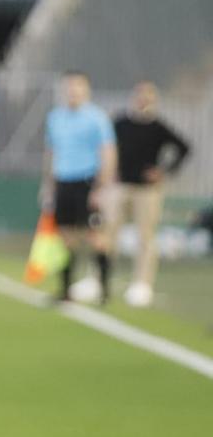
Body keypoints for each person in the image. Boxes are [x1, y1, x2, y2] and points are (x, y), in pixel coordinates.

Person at [104, 81, 189, 307]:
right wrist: (109, 172)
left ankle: (142, 284)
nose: (143, 100)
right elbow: (106, 147)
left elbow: (184, 147)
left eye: (148, 96)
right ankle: (100, 278)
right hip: (120, 186)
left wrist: (164, 171)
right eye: (140, 95)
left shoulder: (158, 127)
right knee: (107, 232)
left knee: (145, 237)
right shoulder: (120, 124)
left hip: (147, 190)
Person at [42, 71, 117, 304]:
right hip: (64, 181)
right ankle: (66, 290)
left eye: (78, 87)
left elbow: (108, 152)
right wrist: (48, 186)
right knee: (66, 237)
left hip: (87, 181)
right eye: (70, 87)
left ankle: (104, 289)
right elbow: (51, 153)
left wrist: (101, 187)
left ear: (86, 89)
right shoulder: (55, 117)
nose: (73, 92)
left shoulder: (97, 118)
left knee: (96, 236)